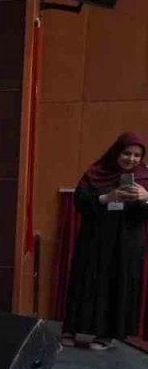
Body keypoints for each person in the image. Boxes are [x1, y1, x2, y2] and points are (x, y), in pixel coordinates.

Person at [61, 132, 148, 350]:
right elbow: (80, 200)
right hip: (95, 237)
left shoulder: (144, 177)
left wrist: (146, 198)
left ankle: (106, 335)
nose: (131, 159)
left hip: (127, 241)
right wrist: (105, 198)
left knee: (116, 284)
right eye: (126, 153)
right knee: (85, 280)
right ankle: (70, 329)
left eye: (137, 155)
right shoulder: (96, 172)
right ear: (116, 152)